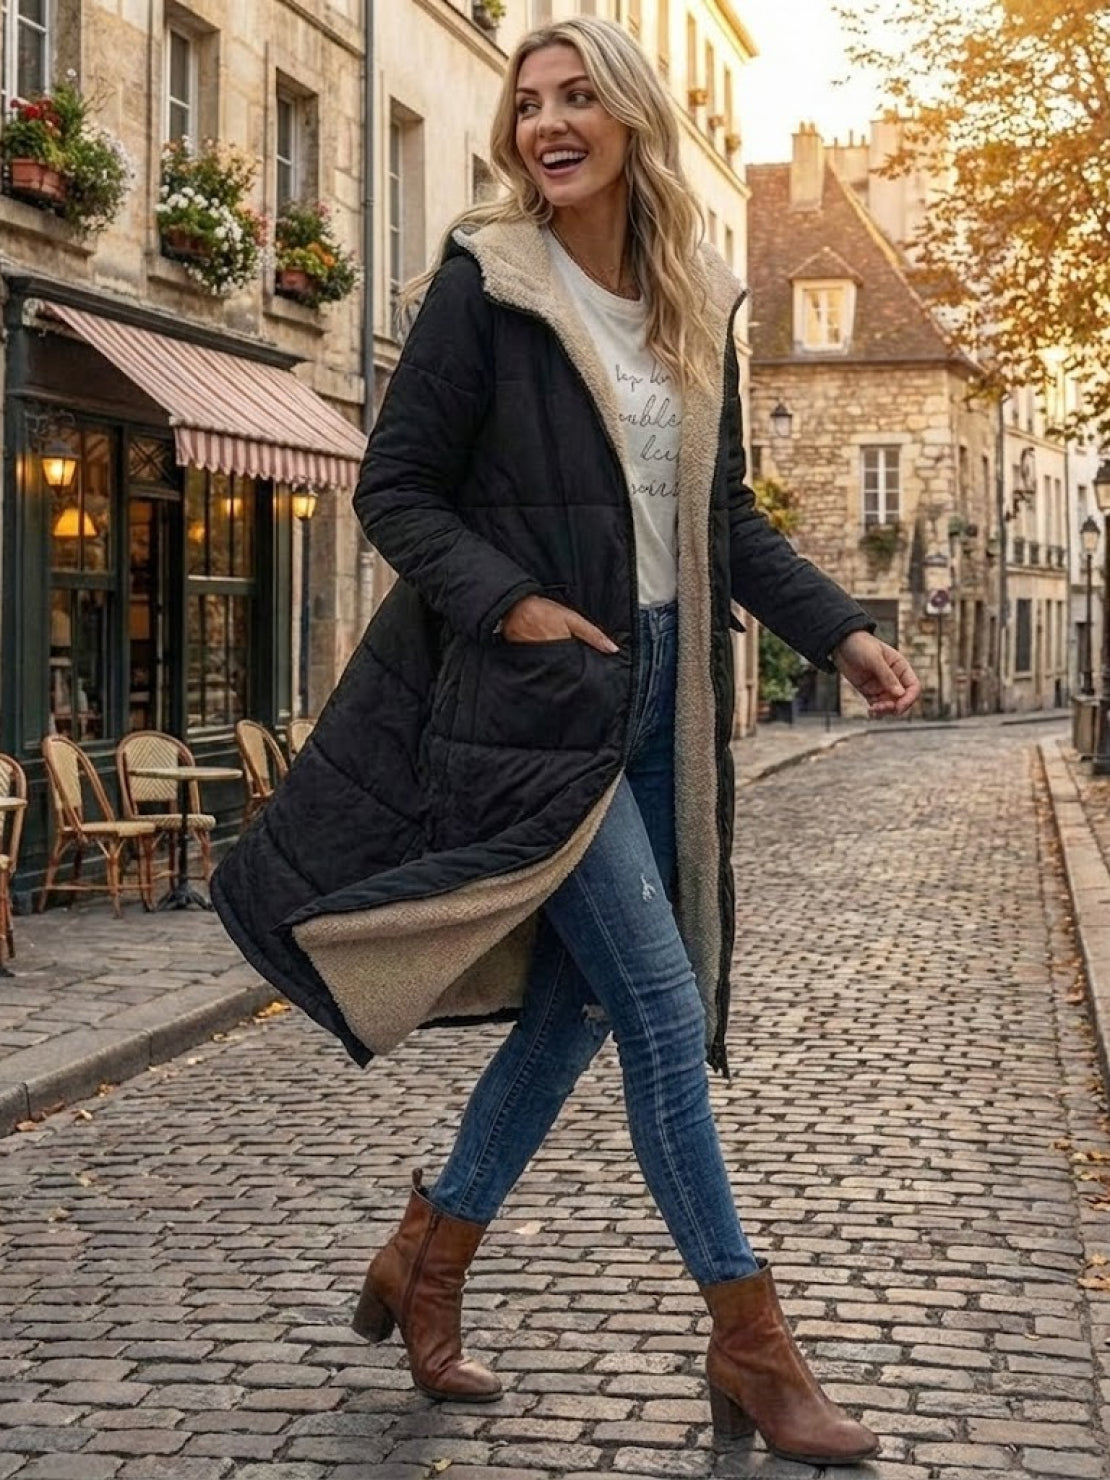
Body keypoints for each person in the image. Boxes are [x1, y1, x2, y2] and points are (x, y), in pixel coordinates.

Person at [212, 15, 921, 1467]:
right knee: (659, 1013)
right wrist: (518, 605)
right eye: (526, 101)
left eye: (574, 95)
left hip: (666, 699)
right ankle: (753, 1344)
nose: (546, 120)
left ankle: (427, 1256)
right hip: (545, 701)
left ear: (630, 116)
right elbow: (397, 489)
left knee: (578, 1012)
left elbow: (717, 528)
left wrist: (836, 628)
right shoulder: (488, 282)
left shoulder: (691, 297)